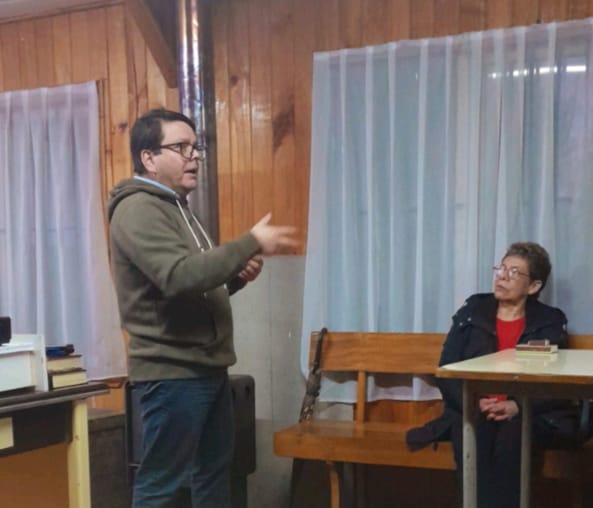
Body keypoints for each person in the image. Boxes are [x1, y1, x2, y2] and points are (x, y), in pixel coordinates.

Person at [107, 108, 298, 508]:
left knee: (213, 476)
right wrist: (248, 242)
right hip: (173, 372)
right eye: (180, 147)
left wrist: (235, 277)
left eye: (196, 147)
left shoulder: (176, 208)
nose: (193, 156)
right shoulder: (138, 209)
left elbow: (191, 287)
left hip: (204, 369)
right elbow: (177, 276)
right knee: (162, 485)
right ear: (148, 158)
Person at [409, 242, 582, 508]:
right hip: (474, 407)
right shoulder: (471, 313)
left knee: (513, 434)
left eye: (514, 272)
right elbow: (446, 370)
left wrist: (516, 405)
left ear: (534, 286)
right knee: (474, 430)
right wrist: (474, 402)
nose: (501, 276)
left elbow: (554, 384)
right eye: (501, 268)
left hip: (527, 413)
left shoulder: (549, 321)